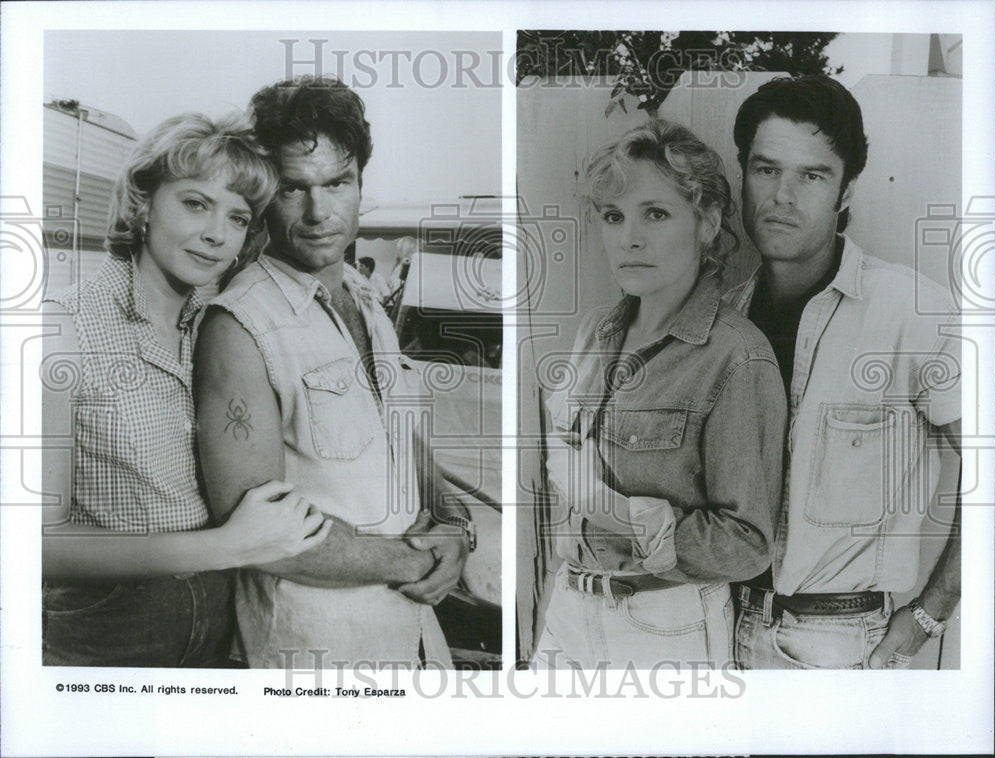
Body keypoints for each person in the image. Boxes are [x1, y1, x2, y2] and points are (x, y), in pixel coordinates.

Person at [194, 76, 473, 669]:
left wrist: (453, 524)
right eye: (294, 189)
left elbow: (400, 437)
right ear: (266, 194)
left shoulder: (366, 297)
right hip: (314, 655)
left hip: (413, 639)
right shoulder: (239, 325)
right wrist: (414, 561)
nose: (319, 212)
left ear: (360, 185)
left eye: (336, 183)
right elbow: (260, 526)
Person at [41, 113, 331, 668]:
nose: (217, 233)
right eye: (195, 203)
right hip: (109, 630)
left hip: (222, 619)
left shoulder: (222, 323)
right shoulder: (61, 328)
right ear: (143, 203)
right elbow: (38, 543)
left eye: (238, 217)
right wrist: (226, 547)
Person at [728, 75, 962, 670]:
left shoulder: (912, 312)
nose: (783, 195)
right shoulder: (719, 318)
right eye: (766, 169)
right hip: (712, 626)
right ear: (742, 175)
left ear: (846, 188)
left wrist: (931, 611)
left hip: (840, 644)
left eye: (812, 175)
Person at [535, 119, 786, 669]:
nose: (630, 237)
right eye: (613, 216)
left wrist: (615, 512)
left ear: (707, 222)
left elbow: (747, 543)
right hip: (567, 611)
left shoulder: (735, 356)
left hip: (663, 627)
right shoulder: (595, 332)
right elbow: (560, 451)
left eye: (656, 213)